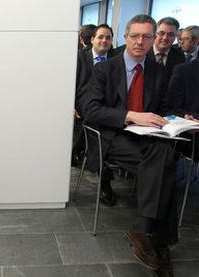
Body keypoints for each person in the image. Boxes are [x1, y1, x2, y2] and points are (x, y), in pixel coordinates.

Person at [84, 15, 177, 276]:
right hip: (113, 136)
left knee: (164, 158)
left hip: (147, 139)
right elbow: (91, 109)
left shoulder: (158, 71)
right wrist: (130, 115)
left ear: (154, 40)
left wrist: (176, 119)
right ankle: (159, 243)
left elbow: (164, 108)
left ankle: (145, 231)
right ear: (125, 38)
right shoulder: (105, 68)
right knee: (165, 162)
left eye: (147, 37)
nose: (140, 41)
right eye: (135, 36)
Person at [73, 24, 115, 205]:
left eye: (108, 38)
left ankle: (86, 155)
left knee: (101, 128)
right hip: (84, 104)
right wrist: (72, 106)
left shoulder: (116, 60)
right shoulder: (79, 58)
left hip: (108, 107)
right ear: (92, 39)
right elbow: (71, 84)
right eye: (101, 37)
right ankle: (105, 179)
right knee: (98, 124)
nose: (104, 41)